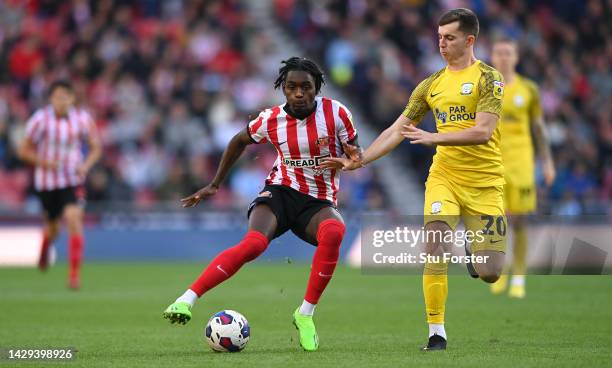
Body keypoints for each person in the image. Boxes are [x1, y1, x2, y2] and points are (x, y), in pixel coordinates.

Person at [322, 8, 506, 350]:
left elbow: (483, 131)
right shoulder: (430, 85)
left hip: (486, 183)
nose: (442, 44)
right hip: (444, 178)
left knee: (491, 272)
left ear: (469, 40)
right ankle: (437, 332)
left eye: (449, 38)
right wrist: (361, 160)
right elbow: (397, 130)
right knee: (435, 246)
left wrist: (435, 137)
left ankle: (472, 250)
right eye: (439, 37)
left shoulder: (489, 79)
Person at [163, 57, 361, 352]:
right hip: (280, 191)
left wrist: (348, 161)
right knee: (254, 244)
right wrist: (215, 184)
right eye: (291, 87)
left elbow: (357, 155)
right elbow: (238, 141)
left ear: (316, 88)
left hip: (318, 202)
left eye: (305, 87)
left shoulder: (337, 114)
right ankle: (185, 300)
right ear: (283, 89)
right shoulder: (271, 119)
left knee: (334, 233)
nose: (298, 93)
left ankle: (305, 314)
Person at [17, 80, 101, 289]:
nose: (61, 101)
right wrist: (45, 162)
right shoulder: (40, 119)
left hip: (73, 179)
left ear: (72, 98)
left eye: (65, 97)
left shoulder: (82, 119)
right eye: (57, 97)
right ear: (51, 99)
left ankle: (74, 275)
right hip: (47, 181)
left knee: (74, 217)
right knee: (53, 227)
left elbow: (95, 147)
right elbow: (23, 151)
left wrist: (85, 165)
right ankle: (45, 246)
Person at [489, 38, 555, 298]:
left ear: (516, 57)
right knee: (496, 221)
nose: (504, 57)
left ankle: (519, 276)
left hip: (522, 165)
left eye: (508, 52)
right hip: (493, 163)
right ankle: (500, 271)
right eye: (499, 52)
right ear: (493, 56)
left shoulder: (529, 90)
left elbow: (538, 128)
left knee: (520, 221)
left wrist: (547, 161)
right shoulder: (486, 88)